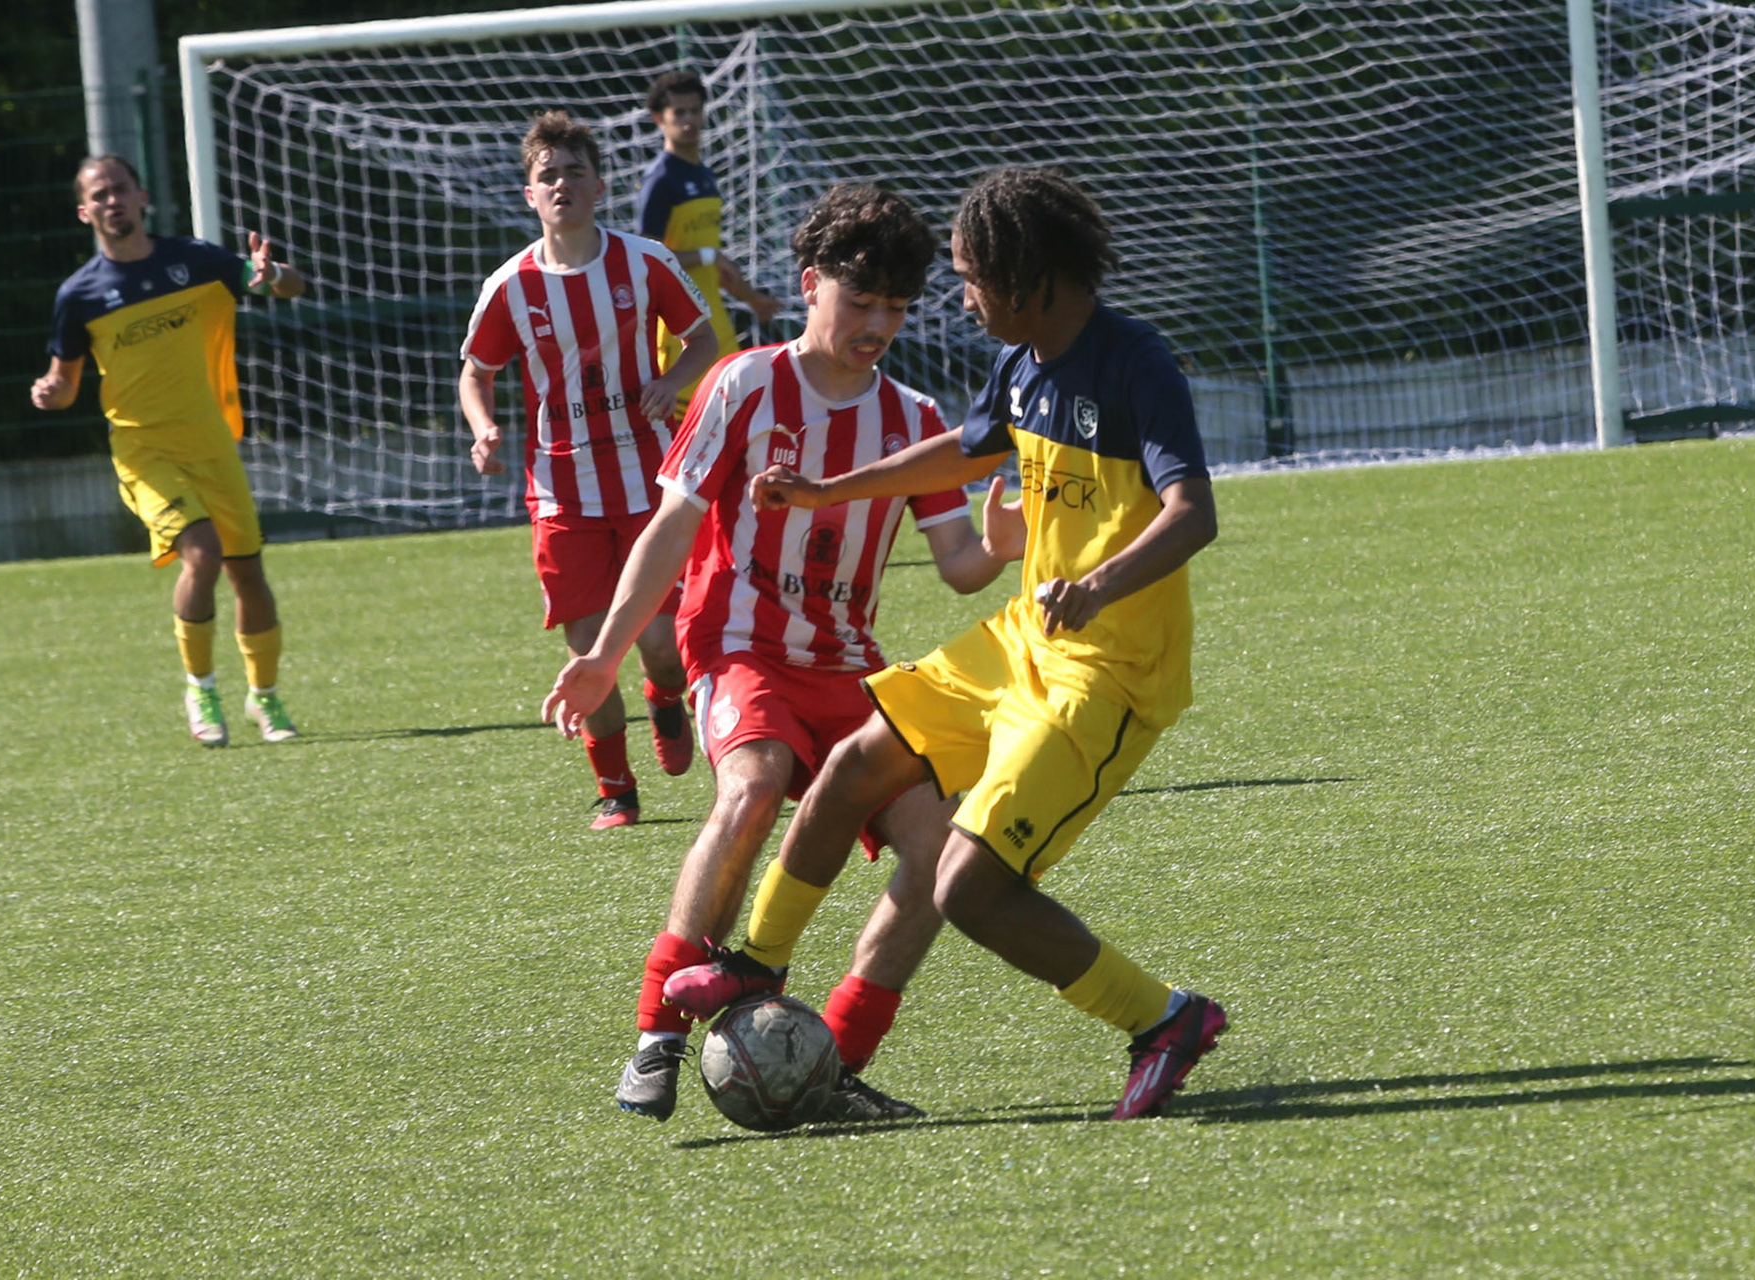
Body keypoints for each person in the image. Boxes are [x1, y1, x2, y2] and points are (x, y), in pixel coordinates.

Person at [664, 166, 1225, 1120]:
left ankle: (1163, 1018)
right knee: (853, 766)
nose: (962, 301)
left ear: (1025, 275)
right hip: (1024, 639)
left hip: (1110, 671)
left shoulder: (1135, 363)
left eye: (971, 280)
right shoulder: (1023, 361)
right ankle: (755, 961)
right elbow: (967, 451)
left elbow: (1193, 512)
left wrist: (1097, 585)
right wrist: (829, 491)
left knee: (967, 886)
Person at [542, 183, 1020, 1122]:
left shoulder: (915, 417)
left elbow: (959, 566)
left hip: (848, 667)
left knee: (943, 852)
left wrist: (1002, 549)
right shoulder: (742, 384)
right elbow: (672, 525)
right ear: (810, 286)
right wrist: (605, 655)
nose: (877, 325)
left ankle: (836, 1059)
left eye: (895, 308)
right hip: (738, 647)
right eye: (860, 301)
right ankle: (657, 1036)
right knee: (753, 786)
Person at [460, 111, 717, 830]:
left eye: (575, 172)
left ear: (600, 187)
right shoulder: (510, 285)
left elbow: (702, 339)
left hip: (649, 478)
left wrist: (674, 381)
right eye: (548, 175)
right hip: (560, 490)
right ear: (529, 195)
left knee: (662, 647)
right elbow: (475, 372)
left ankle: (665, 696)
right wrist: (484, 429)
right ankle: (616, 790)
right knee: (586, 651)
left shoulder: (645, 262)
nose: (561, 184)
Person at [31, 155, 307, 748]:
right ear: (84, 212)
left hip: (210, 442)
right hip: (144, 451)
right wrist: (51, 392)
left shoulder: (195, 260)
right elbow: (66, 382)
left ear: (142, 197)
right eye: (99, 195)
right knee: (201, 553)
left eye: (120, 189)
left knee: (248, 574)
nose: (112, 201)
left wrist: (272, 274)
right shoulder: (79, 294)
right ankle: (200, 687)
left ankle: (264, 697)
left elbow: (287, 285)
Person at [636, 68, 782, 411]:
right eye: (679, 113)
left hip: (713, 318)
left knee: (736, 414)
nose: (688, 120)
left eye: (695, 111)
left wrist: (752, 299)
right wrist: (707, 256)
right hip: (678, 327)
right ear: (660, 119)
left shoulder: (704, 176)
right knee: (691, 423)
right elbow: (648, 258)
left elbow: (715, 264)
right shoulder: (660, 180)